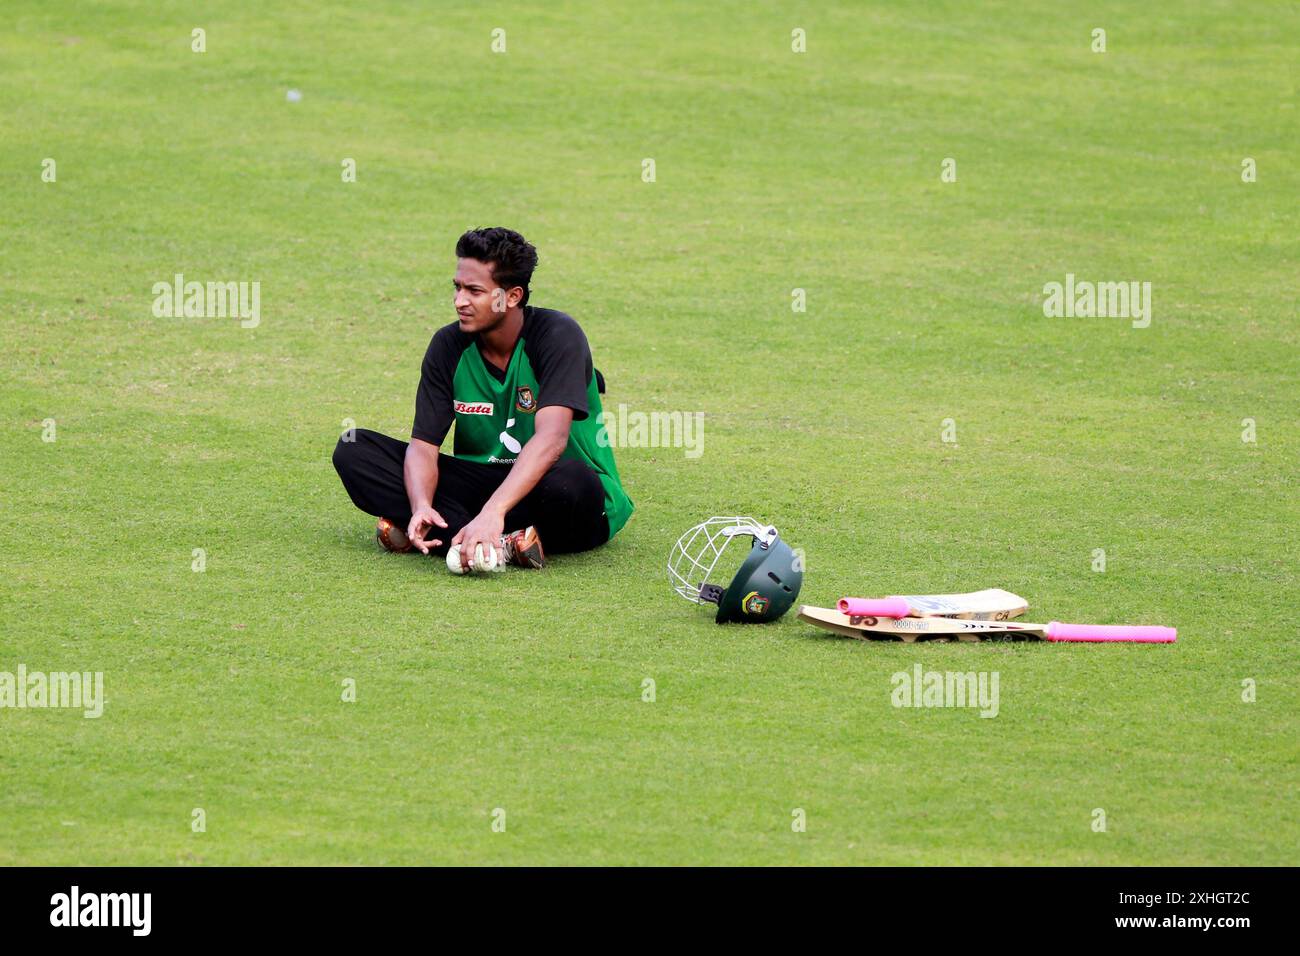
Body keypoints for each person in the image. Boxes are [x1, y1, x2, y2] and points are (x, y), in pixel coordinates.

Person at [332, 227, 633, 572]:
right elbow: (423, 446)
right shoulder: (448, 346)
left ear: (512, 296)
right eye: (458, 288)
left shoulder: (557, 335)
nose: (460, 301)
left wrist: (493, 512)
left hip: (556, 488)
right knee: (354, 449)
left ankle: (469, 534)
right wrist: (420, 504)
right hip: (483, 481)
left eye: (474, 291)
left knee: (573, 481)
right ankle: (497, 542)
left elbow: (552, 440)